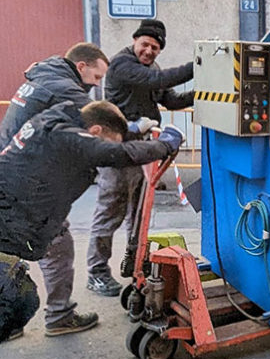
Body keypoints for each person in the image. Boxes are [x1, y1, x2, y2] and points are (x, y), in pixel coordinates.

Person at [0, 100, 184, 339]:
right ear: (95, 131)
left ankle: (57, 316)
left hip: (27, 214)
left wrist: (133, 130)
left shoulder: (59, 120)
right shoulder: (67, 136)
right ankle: (32, 320)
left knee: (53, 256)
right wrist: (165, 145)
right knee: (18, 296)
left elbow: (103, 136)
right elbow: (114, 153)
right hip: (13, 218)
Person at [0, 42, 109, 340]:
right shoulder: (63, 87)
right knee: (57, 244)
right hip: (25, 187)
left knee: (9, 250)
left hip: (11, 176)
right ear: (82, 66)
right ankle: (60, 316)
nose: (96, 85)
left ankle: (7, 321)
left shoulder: (43, 77)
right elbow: (99, 118)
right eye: (97, 77)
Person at [87, 19, 194, 296]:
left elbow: (170, 100)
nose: (149, 51)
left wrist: (208, 93)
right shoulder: (122, 65)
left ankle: (135, 263)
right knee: (110, 211)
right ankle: (96, 273)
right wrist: (200, 65)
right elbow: (156, 81)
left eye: (155, 48)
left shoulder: (153, 68)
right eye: (145, 44)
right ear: (135, 40)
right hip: (118, 149)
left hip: (144, 150)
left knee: (138, 213)